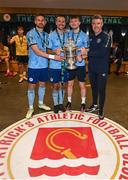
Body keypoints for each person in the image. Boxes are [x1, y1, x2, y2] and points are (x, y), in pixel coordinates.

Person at [26, 14, 64, 119]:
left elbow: (49, 49)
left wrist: (55, 51)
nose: (40, 22)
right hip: (33, 66)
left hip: (44, 65)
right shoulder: (30, 34)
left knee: (42, 85)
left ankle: (41, 103)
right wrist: (53, 56)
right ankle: (30, 107)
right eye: (38, 20)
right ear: (35, 22)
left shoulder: (47, 35)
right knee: (31, 87)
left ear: (45, 22)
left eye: (42, 20)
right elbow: (37, 52)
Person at [87, 14, 111, 120]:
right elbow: (90, 52)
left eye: (98, 23)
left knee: (101, 89)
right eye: (94, 23)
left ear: (102, 24)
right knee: (94, 88)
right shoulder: (91, 37)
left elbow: (101, 52)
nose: (96, 25)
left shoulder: (106, 37)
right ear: (92, 24)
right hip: (92, 68)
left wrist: (87, 52)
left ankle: (101, 110)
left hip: (102, 69)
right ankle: (94, 105)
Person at [65, 16, 89, 112]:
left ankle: (83, 103)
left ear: (79, 23)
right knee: (69, 84)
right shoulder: (67, 34)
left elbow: (87, 49)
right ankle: (69, 102)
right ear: (70, 24)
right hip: (70, 63)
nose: (74, 23)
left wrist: (83, 56)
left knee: (82, 85)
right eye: (72, 21)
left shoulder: (84, 35)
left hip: (80, 64)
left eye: (76, 21)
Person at [48, 15, 68, 113]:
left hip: (65, 65)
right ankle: (56, 104)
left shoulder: (67, 34)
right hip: (54, 65)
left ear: (65, 23)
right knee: (55, 85)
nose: (61, 23)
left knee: (62, 85)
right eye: (59, 21)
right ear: (56, 23)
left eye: (63, 21)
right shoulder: (51, 35)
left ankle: (61, 104)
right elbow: (47, 50)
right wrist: (55, 51)